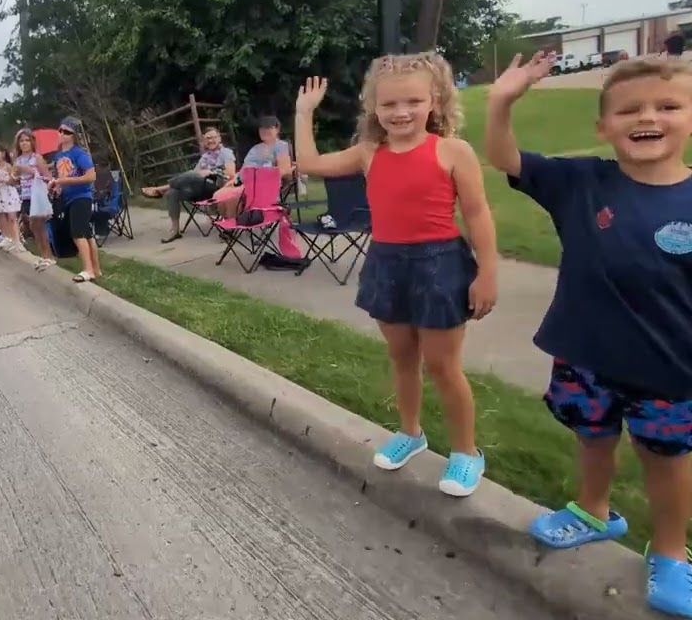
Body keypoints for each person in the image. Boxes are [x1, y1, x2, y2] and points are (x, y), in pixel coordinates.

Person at [486, 54, 692, 618]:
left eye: (667, 106)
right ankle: (595, 512)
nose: (647, 117)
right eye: (630, 110)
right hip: (584, 355)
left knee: (666, 459)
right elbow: (504, 157)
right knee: (592, 438)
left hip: (669, 366)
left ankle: (671, 553)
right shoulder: (580, 182)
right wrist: (501, 101)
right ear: (603, 127)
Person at [293, 52, 498, 498]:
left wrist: (487, 273)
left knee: (443, 365)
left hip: (440, 264)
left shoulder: (452, 151)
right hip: (387, 263)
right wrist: (304, 113)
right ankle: (411, 432)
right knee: (403, 357)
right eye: (388, 104)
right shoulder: (370, 152)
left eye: (413, 101)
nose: (400, 112)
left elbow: (477, 213)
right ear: (374, 108)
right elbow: (309, 164)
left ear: (435, 101)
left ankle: (466, 452)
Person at [140, 126, 237, 243]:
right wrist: (199, 174)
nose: (211, 140)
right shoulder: (205, 157)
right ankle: (175, 231)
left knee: (192, 174)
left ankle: (160, 189)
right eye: (208, 138)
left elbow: (231, 174)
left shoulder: (226, 153)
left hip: (215, 187)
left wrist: (211, 172)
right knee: (173, 193)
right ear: (204, 141)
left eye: (213, 137)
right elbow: (194, 176)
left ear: (219, 138)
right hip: (199, 189)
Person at [49, 117, 102, 282]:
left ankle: (88, 270)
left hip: (82, 197)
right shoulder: (58, 156)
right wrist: (56, 186)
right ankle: (96, 269)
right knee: (87, 234)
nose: (62, 134)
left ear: (74, 135)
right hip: (68, 198)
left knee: (78, 233)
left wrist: (66, 181)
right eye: (60, 130)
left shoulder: (79, 153)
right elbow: (60, 178)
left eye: (67, 132)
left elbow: (91, 176)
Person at [212, 114, 293, 218]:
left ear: (277, 129)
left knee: (232, 198)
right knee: (219, 195)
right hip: (244, 184)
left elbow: (285, 170)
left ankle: (234, 222)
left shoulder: (281, 146)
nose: (264, 130)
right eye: (261, 128)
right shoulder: (255, 148)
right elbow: (245, 168)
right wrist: (236, 178)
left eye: (268, 127)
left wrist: (259, 177)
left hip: (263, 186)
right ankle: (230, 220)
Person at [14, 128, 55, 268]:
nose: (24, 143)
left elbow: (47, 177)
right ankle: (43, 255)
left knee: (37, 224)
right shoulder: (18, 160)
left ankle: (48, 255)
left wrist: (32, 172)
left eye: (27, 140)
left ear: (32, 142)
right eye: (22, 141)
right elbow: (16, 179)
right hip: (25, 195)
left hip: (37, 194)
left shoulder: (36, 158)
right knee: (32, 226)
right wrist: (15, 174)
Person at [0, 144, 23, 252]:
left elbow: (15, 181)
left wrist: (5, 179)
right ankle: (7, 237)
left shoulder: (8, 166)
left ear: (2, 153)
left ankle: (17, 240)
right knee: (2, 218)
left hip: (8, 192)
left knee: (11, 217)